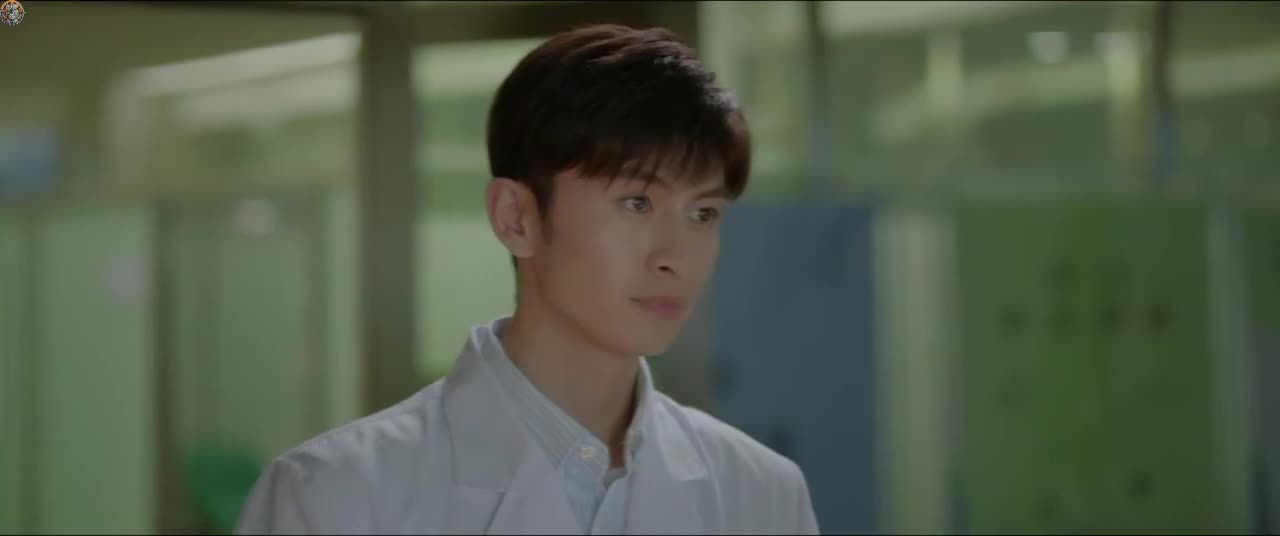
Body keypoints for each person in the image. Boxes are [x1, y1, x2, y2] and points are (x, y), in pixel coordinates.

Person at [236, 23, 819, 535]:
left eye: (703, 214)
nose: (676, 258)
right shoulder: (334, 496)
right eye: (637, 203)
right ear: (516, 218)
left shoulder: (761, 494)